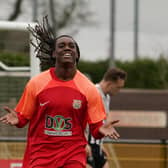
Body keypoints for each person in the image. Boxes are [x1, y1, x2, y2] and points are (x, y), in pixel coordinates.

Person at [0, 16, 120, 168]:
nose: (67, 48)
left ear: (77, 54)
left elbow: (96, 129)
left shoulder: (88, 88)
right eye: (62, 46)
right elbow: (23, 118)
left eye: (72, 46)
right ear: (54, 54)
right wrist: (18, 119)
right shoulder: (36, 84)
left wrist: (101, 130)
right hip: (40, 155)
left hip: (73, 155)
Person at [87, 67, 127, 168]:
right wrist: (83, 144)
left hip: (96, 144)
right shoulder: (92, 93)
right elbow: (79, 120)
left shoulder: (106, 97)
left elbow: (101, 124)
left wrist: (100, 144)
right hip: (86, 143)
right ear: (109, 83)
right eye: (118, 87)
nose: (119, 91)